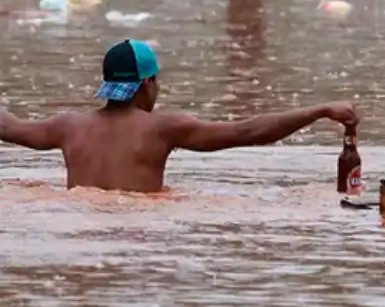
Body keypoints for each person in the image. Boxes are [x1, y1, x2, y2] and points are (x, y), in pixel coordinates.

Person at [0, 39, 358, 193]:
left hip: (76, 225)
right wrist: (319, 109)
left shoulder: (68, 127)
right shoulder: (163, 129)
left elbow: (7, 125)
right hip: (142, 233)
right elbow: (248, 132)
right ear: (147, 83)